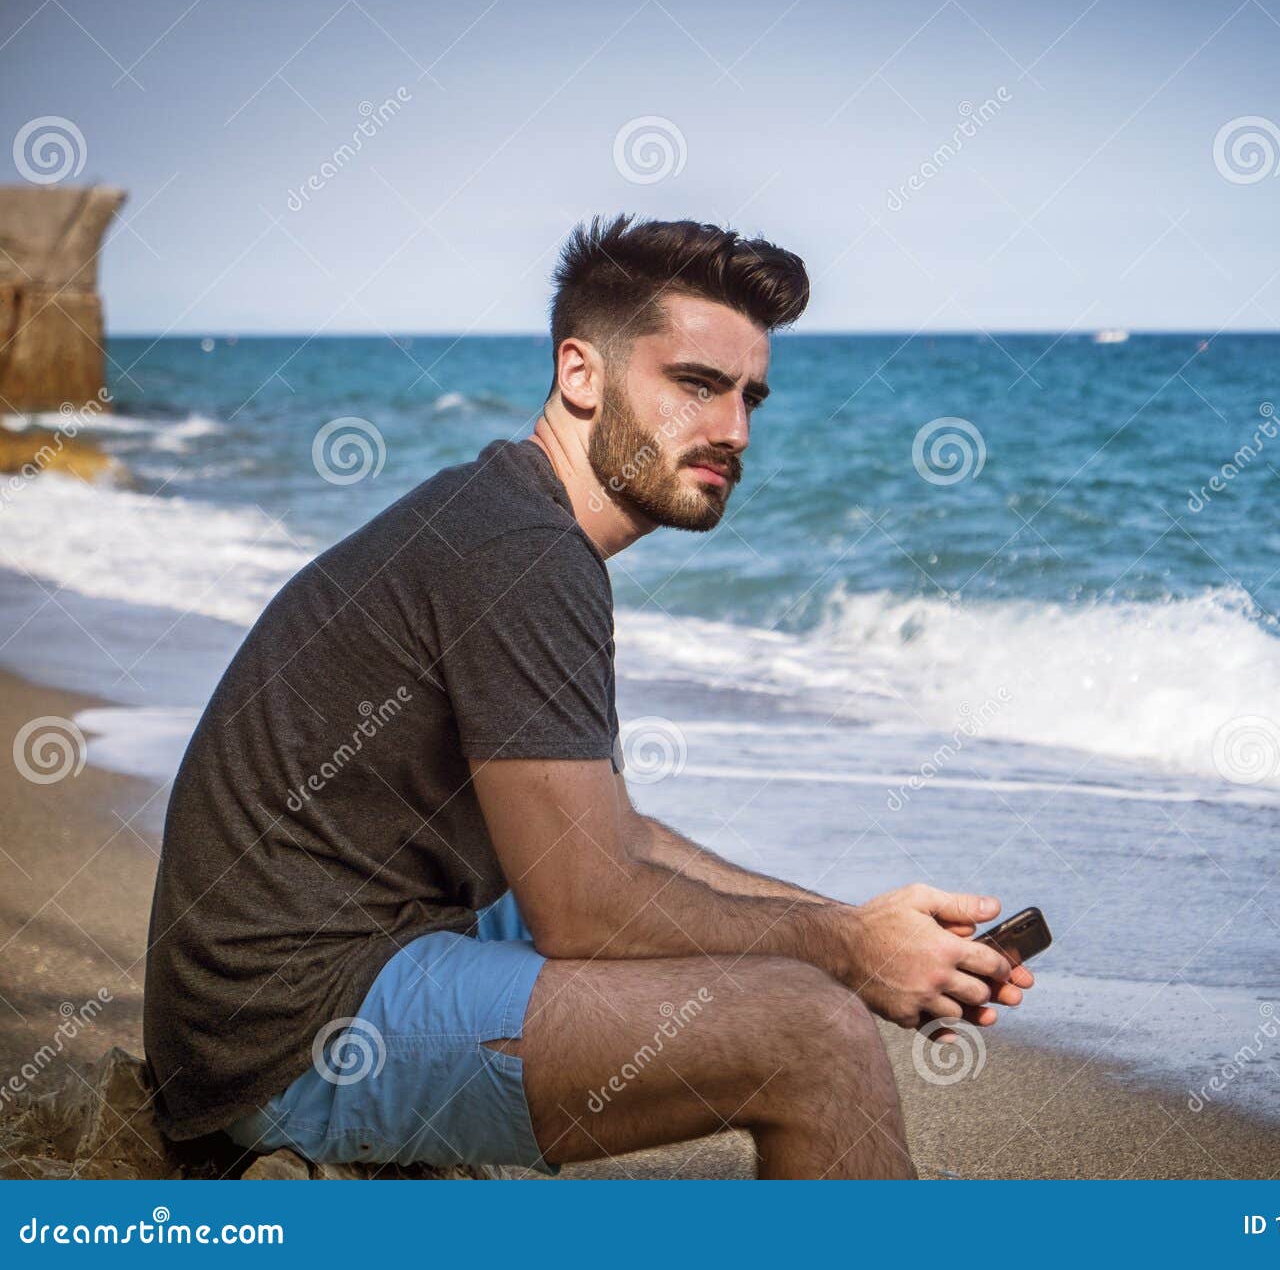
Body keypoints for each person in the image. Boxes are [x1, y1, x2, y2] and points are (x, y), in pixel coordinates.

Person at [143, 214, 1033, 1180]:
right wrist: (846, 962)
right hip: (285, 1034)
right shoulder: (520, 549)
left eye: (750, 398)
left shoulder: (512, 517)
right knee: (811, 1035)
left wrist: (859, 927)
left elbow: (621, 842)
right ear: (582, 374)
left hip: (342, 956)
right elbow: (589, 910)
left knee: (733, 937)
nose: (733, 430)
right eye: (695, 384)